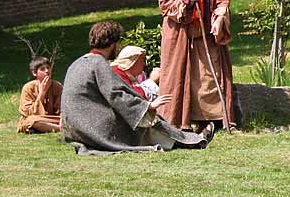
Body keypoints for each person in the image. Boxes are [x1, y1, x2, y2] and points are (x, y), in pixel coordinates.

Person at [61, 21, 209, 155]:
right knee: (143, 121)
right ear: (113, 43)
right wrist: (147, 106)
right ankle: (192, 140)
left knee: (138, 116)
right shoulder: (98, 64)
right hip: (95, 130)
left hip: (78, 130)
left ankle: (186, 138)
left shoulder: (77, 63)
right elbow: (117, 95)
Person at [158, 0, 237, 132]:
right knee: (180, 77)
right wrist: (186, 1)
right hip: (181, 35)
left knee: (209, 76)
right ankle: (179, 120)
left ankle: (213, 118)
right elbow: (164, 3)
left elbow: (223, 0)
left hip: (206, 35)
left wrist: (219, 20)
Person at [17, 56, 62, 134]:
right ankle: (59, 128)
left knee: (70, 119)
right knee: (31, 121)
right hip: (35, 118)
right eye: (42, 69)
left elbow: (63, 109)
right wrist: (42, 94)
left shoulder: (57, 86)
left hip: (52, 118)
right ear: (35, 73)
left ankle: (47, 127)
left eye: (48, 67)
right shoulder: (28, 88)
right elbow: (27, 113)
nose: (47, 71)